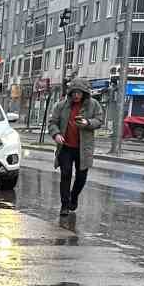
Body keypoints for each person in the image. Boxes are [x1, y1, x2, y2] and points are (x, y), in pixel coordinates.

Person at [50, 79, 99, 215]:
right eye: (74, 92)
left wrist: (87, 122)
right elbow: (52, 122)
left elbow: (99, 120)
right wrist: (56, 134)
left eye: (79, 93)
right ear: (70, 93)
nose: (76, 95)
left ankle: (74, 196)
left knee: (81, 177)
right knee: (65, 174)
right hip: (65, 147)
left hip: (83, 148)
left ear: (84, 93)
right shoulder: (61, 106)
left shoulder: (93, 105)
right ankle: (65, 205)